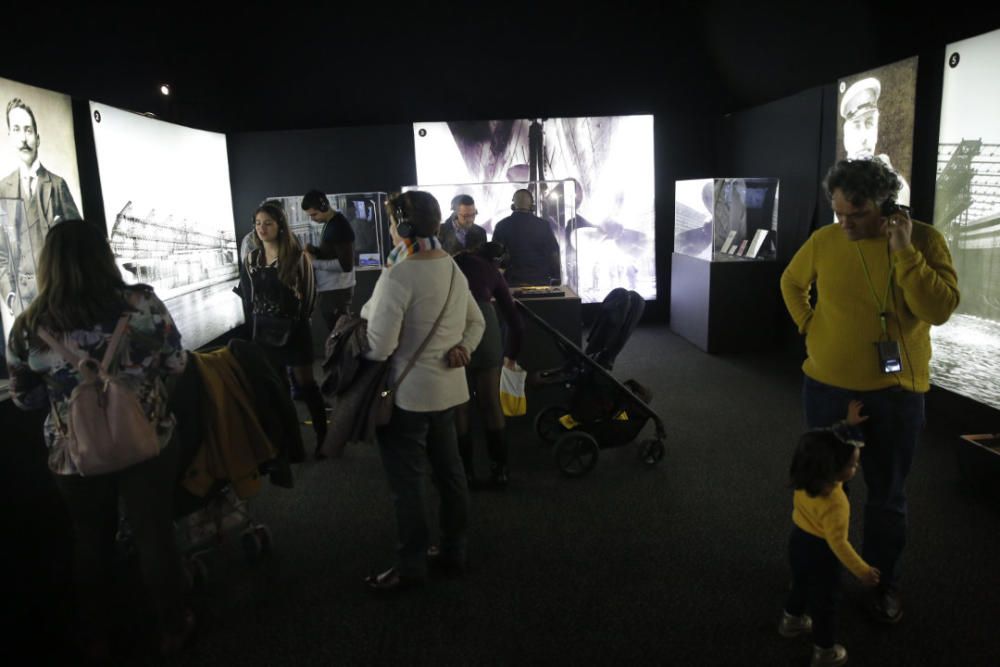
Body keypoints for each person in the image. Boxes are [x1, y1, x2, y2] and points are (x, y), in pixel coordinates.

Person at [780, 158, 959, 624]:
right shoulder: (824, 240)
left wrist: (903, 253)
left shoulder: (924, 240)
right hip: (825, 386)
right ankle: (821, 572)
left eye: (855, 215)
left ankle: (884, 584)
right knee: (822, 489)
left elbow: (937, 309)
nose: (844, 224)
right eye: (838, 213)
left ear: (886, 206)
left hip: (895, 393)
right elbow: (792, 282)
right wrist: (808, 324)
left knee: (885, 496)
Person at [5, 220, 194, 660]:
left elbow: (24, 399)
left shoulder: (29, 327)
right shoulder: (140, 303)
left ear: (48, 263)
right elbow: (178, 363)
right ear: (104, 255)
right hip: (148, 439)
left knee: (90, 541)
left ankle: (97, 639)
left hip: (74, 456)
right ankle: (173, 627)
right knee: (154, 535)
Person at [361, 190, 484, 592]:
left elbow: (379, 347)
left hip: (407, 398)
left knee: (408, 484)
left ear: (406, 226)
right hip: (449, 393)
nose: (392, 229)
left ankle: (411, 565)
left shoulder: (398, 274)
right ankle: (455, 550)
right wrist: (463, 347)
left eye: (395, 222)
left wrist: (363, 320)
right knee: (450, 474)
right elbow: (477, 321)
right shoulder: (451, 267)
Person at [779, 400, 880, 667]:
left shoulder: (805, 477)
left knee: (799, 583)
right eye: (852, 465)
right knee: (826, 602)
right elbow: (839, 544)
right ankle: (824, 650)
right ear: (833, 469)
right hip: (822, 554)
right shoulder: (836, 501)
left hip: (798, 541)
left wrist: (847, 426)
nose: (855, 468)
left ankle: (791, 621)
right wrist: (863, 571)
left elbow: (824, 440)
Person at [245, 200, 327, 458]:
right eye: (258, 223)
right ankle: (290, 445)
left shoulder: (296, 257)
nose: (262, 228)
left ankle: (324, 439)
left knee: (307, 384)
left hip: (294, 329)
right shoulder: (253, 259)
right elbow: (250, 297)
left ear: (280, 225)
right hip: (265, 331)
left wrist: (298, 322)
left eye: (268, 223)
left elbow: (310, 296)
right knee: (278, 389)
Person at [0, 97, 81, 320]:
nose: (23, 138)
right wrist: (10, 297)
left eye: (28, 130)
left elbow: (82, 243)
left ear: (37, 137)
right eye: (16, 129)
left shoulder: (57, 185)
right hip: (25, 309)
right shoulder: (2, 191)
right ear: (9, 137)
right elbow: (1, 254)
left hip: (62, 300)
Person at [453, 241, 524, 488]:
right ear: (499, 262)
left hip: (454, 329)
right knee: (490, 403)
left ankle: (465, 473)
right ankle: (500, 471)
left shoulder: (454, 261)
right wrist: (510, 356)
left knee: (459, 406)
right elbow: (515, 322)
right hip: (485, 328)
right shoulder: (492, 272)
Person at [840, 78, 911, 206]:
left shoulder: (898, 186)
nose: (864, 137)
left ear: (876, 130)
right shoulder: (839, 184)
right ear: (846, 137)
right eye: (856, 126)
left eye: (869, 124)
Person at [301, 190, 356, 333]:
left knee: (338, 334)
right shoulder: (332, 223)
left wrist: (313, 262)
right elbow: (331, 253)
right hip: (333, 289)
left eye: (314, 214)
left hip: (335, 291)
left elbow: (346, 265)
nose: (312, 219)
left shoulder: (338, 226)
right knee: (337, 332)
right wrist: (314, 250)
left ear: (324, 207)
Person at [491, 189, 561, 286]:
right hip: (540, 281)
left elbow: (495, 256)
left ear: (513, 205)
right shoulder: (543, 226)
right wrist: (557, 277)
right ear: (532, 206)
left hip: (511, 282)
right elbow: (554, 254)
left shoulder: (501, 225)